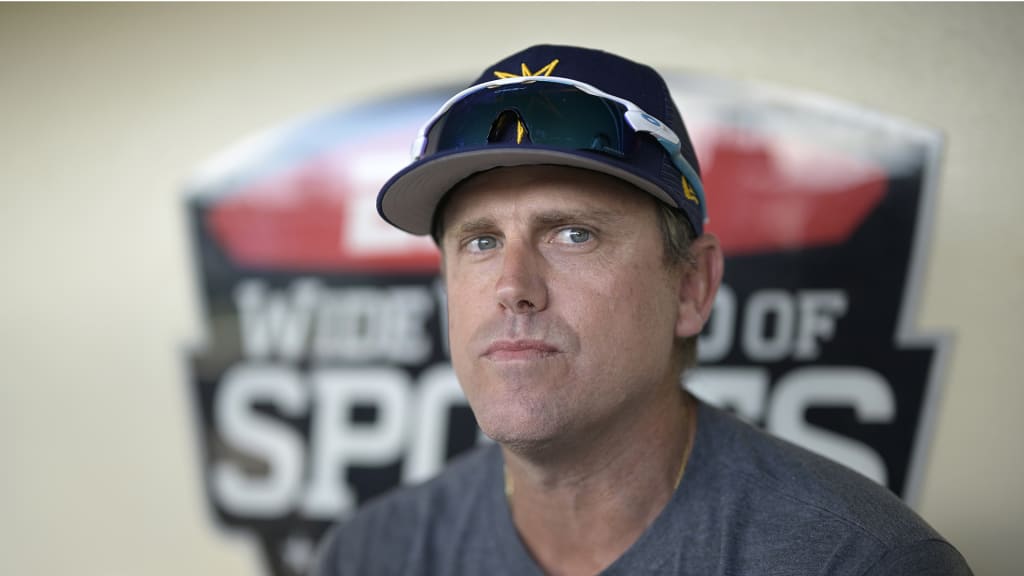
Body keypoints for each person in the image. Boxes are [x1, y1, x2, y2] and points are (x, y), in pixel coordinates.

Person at [313, 44, 971, 576]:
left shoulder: (859, 562)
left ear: (691, 287)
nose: (513, 286)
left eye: (573, 234)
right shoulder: (371, 555)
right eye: (481, 242)